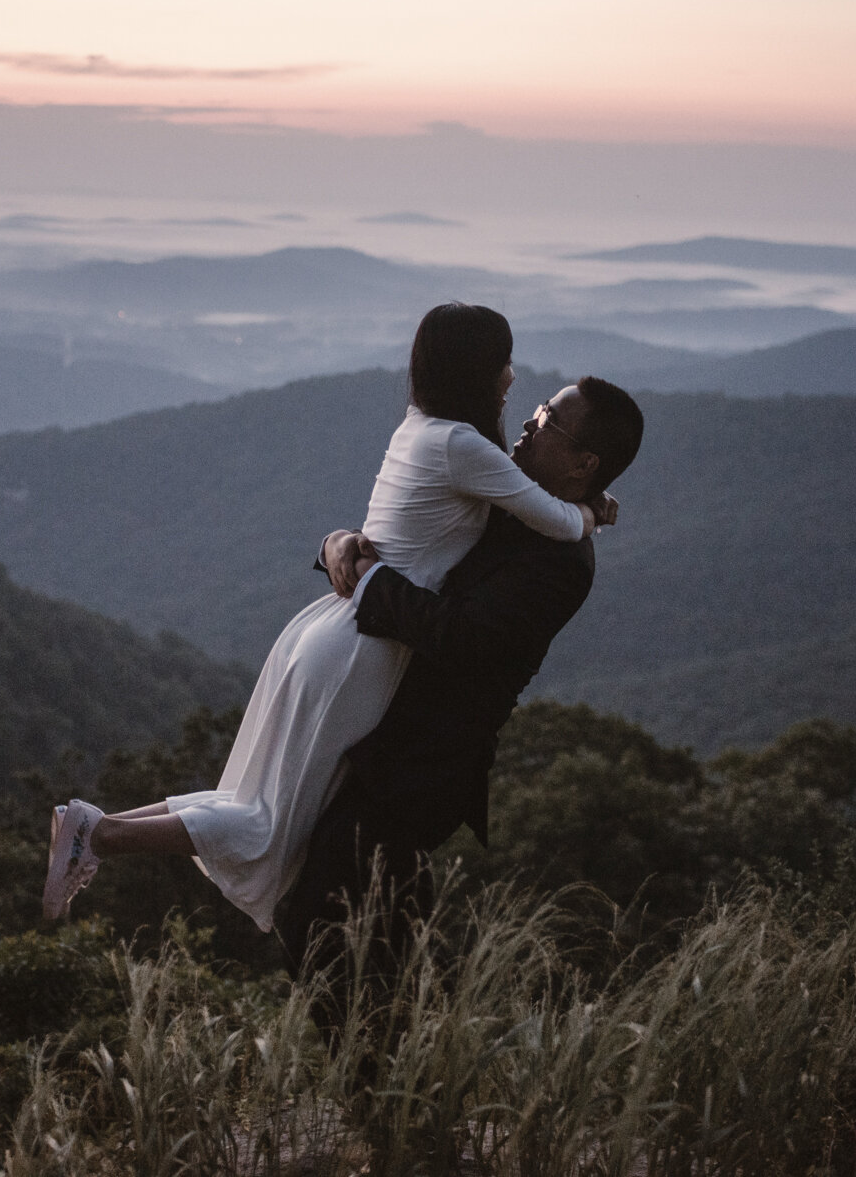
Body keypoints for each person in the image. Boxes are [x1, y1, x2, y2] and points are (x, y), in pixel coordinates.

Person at [41, 304, 614, 924]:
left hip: (324, 629)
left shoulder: (420, 427)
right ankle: (101, 838)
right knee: (270, 822)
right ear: (476, 370)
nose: (512, 380)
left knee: (255, 797)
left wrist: (338, 543)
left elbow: (402, 533)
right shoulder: (465, 447)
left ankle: (92, 825)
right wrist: (593, 513)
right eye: (505, 364)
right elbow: (554, 522)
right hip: (363, 650)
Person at [275, 375, 644, 983]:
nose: (530, 423)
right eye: (539, 407)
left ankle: (392, 1064)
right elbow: (416, 539)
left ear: (585, 463)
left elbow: (460, 639)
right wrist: (339, 543)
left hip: (422, 768)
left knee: (325, 935)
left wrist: (367, 573)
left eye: (550, 420)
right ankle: (416, 1060)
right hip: (381, 743)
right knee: (368, 934)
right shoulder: (514, 497)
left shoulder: (560, 565)